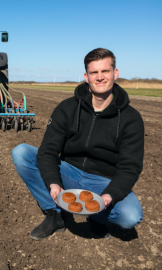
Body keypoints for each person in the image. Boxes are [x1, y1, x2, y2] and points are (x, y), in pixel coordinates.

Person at [12, 48, 144, 240]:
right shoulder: (67, 108)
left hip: (103, 180)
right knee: (21, 152)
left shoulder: (131, 119)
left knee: (130, 216)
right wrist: (54, 183)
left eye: (105, 71)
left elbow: (130, 167)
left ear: (115, 73)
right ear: (86, 76)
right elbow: (48, 151)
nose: (100, 77)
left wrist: (107, 197)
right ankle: (55, 214)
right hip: (69, 172)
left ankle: (98, 218)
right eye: (94, 72)